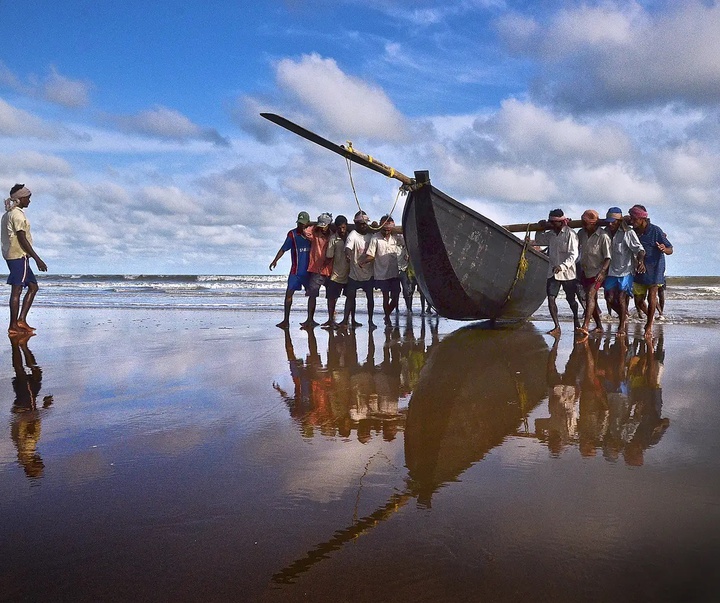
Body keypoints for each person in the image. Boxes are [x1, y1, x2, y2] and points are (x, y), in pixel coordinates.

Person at [2, 184, 48, 335]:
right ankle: (13, 326)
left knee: (33, 286)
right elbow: (21, 238)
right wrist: (37, 259)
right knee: (17, 289)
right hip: (18, 256)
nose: (29, 201)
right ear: (21, 198)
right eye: (28, 198)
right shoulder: (17, 215)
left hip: (16, 256)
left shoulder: (8, 214)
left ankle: (21, 320)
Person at [534, 209, 581, 336]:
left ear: (561, 222)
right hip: (552, 272)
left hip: (568, 272)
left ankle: (576, 318)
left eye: (554, 222)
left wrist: (562, 266)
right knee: (551, 298)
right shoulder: (550, 234)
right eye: (550, 222)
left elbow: (573, 254)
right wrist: (540, 228)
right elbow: (539, 241)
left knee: (571, 299)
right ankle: (557, 326)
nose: (552, 225)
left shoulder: (570, 234)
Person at [629, 205, 672, 339]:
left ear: (642, 218)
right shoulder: (633, 231)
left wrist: (664, 248)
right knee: (639, 300)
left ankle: (648, 325)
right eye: (630, 218)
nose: (632, 221)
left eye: (634, 218)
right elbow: (622, 221)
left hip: (655, 268)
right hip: (639, 268)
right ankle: (651, 317)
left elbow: (671, 249)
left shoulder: (656, 231)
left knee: (652, 296)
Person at [603, 207, 645, 336]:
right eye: (608, 221)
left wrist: (641, 261)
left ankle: (621, 326)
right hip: (611, 271)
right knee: (609, 298)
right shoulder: (605, 232)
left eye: (613, 222)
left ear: (619, 221)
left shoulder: (628, 233)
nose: (610, 224)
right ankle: (624, 315)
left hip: (625, 271)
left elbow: (639, 249)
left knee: (622, 298)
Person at [269, 211, 312, 329]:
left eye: (303, 224)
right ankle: (286, 321)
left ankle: (310, 320)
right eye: (299, 223)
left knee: (311, 295)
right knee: (288, 294)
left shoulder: (313, 233)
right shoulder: (292, 234)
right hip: (296, 271)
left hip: (309, 271)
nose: (300, 226)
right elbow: (283, 249)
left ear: (308, 223)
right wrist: (275, 260)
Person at [338, 211, 375, 329]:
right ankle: (348, 320)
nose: (363, 226)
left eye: (365, 224)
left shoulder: (371, 235)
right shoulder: (353, 234)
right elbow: (348, 247)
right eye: (360, 224)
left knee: (370, 298)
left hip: (368, 273)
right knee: (350, 297)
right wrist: (348, 254)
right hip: (354, 273)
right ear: (355, 224)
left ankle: (370, 321)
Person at [577, 209, 611, 336]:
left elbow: (608, 257)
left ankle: (585, 325)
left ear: (592, 223)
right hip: (586, 270)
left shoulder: (603, 236)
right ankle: (599, 326)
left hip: (598, 272)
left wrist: (602, 272)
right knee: (592, 299)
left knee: (590, 295)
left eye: (585, 222)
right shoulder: (581, 233)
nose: (583, 225)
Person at [365, 215, 403, 327]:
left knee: (395, 298)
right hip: (381, 274)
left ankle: (387, 314)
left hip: (394, 273)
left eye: (388, 229)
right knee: (385, 297)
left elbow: (406, 240)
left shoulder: (395, 237)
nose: (386, 232)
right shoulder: (375, 238)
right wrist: (363, 262)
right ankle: (387, 318)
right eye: (384, 229)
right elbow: (370, 254)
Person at [302, 212, 333, 329]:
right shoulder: (315, 234)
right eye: (321, 225)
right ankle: (310, 319)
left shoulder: (333, 235)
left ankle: (330, 320)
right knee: (312, 295)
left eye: (324, 225)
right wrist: (315, 224)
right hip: (316, 270)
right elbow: (306, 231)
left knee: (331, 297)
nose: (322, 228)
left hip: (329, 270)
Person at [324, 215, 349, 328]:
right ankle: (330, 319)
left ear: (346, 226)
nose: (342, 230)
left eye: (344, 227)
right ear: (336, 228)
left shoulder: (351, 236)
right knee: (331, 298)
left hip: (350, 274)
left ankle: (348, 320)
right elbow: (329, 255)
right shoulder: (333, 239)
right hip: (336, 274)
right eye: (340, 228)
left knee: (350, 297)